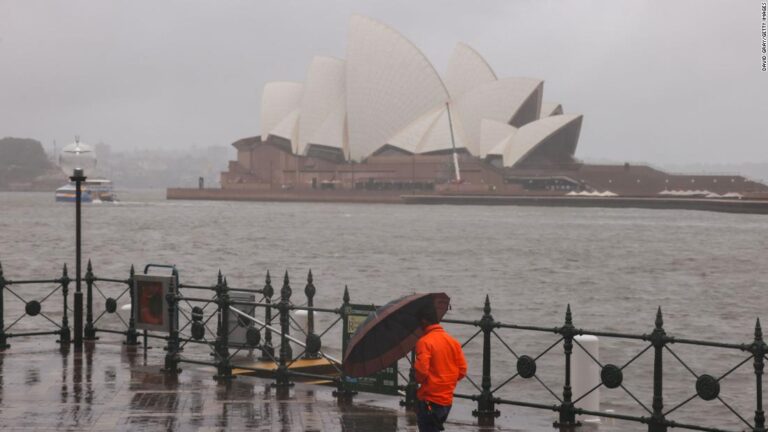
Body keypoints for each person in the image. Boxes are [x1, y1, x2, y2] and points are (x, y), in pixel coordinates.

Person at [414, 305, 468, 431]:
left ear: (424, 321)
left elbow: (421, 372)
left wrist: (417, 374)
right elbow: (462, 370)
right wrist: (445, 382)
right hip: (447, 401)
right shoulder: (452, 341)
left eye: (419, 322)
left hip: (429, 400)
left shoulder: (425, 342)